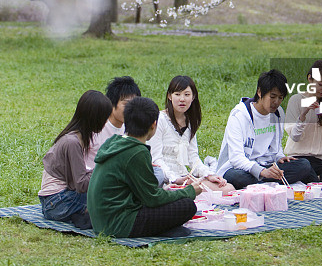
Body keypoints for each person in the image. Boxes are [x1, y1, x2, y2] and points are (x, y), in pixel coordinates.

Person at [87, 97, 201, 238]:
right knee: (187, 206)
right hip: (118, 225)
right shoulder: (137, 152)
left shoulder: (114, 142)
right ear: (154, 125)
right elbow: (152, 198)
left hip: (101, 222)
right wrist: (189, 191)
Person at [216, 69, 314, 189]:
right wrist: (262, 171)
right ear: (259, 92)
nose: (276, 102)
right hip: (239, 168)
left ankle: (262, 185)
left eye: (280, 98)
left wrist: (280, 157)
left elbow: (276, 148)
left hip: (266, 166)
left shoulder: (278, 114)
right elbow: (236, 158)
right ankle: (267, 184)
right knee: (238, 177)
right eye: (272, 96)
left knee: (304, 165)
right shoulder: (239, 115)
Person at [39, 90, 112, 229]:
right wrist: (105, 165)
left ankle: (85, 214)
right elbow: (81, 184)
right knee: (110, 196)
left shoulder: (77, 137)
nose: (106, 122)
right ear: (95, 118)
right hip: (56, 203)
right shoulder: (72, 142)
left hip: (56, 201)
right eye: (104, 117)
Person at [148, 75, 233, 192]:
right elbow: (156, 159)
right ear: (169, 96)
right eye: (177, 94)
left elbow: (193, 157)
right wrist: (175, 178)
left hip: (185, 177)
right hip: (163, 178)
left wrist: (208, 175)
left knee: (228, 188)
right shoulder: (160, 119)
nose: (182, 99)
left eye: (187, 94)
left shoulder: (190, 122)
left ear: (193, 97)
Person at [86, 76, 142, 169]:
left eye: (135, 104)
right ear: (111, 103)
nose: (131, 109)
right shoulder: (95, 128)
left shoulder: (133, 130)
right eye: (126, 104)